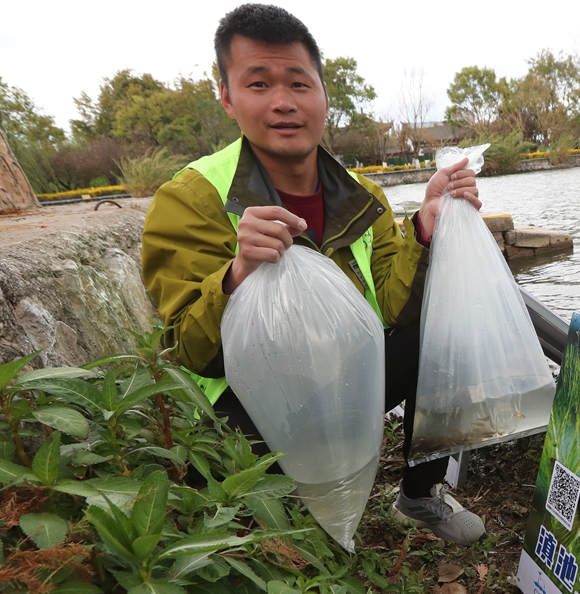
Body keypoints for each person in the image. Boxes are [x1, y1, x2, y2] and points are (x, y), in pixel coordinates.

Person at [141, 3, 486, 544]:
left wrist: (424, 228)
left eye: (299, 84)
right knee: (294, 539)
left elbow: (395, 309)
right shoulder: (193, 198)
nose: (283, 102)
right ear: (228, 98)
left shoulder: (363, 196)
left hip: (348, 379)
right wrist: (237, 273)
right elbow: (187, 348)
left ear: (324, 95)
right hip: (253, 400)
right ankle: (277, 514)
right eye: (258, 83)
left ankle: (419, 496)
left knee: (445, 331)